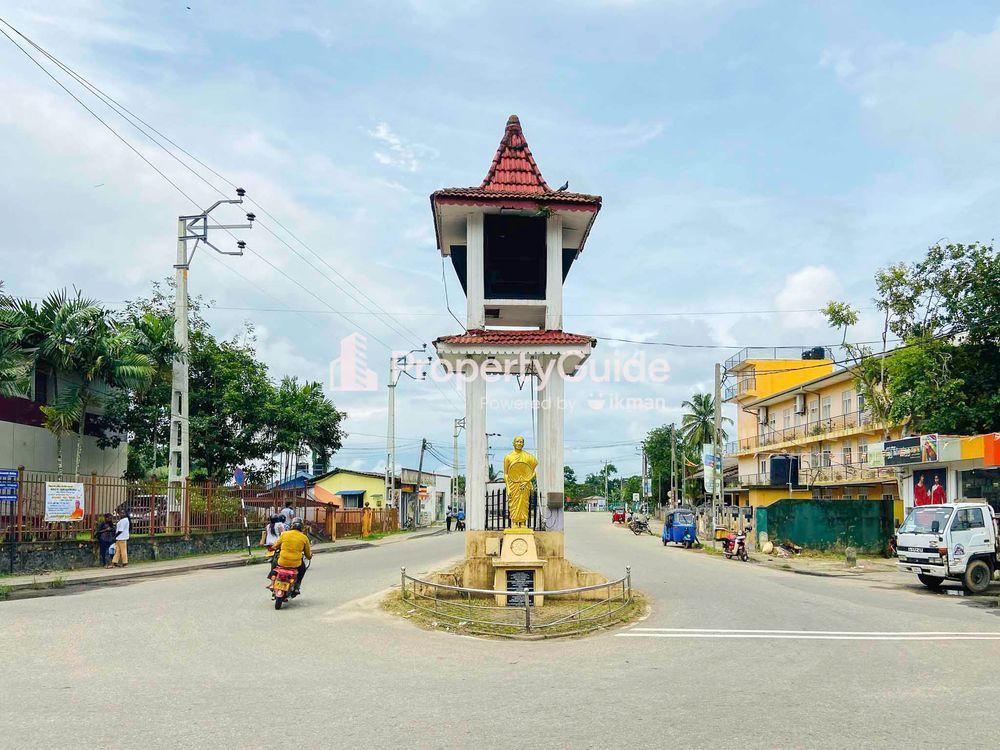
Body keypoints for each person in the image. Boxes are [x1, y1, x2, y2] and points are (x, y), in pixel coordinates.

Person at [271, 518, 312, 593]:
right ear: (301, 527)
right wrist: (310, 556)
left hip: (282, 562)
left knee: (274, 562)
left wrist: (273, 548)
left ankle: (272, 581)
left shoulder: (284, 534)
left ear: (291, 525)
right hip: (296, 564)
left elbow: (275, 546)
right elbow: (308, 555)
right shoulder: (304, 538)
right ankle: (297, 585)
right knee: (303, 569)